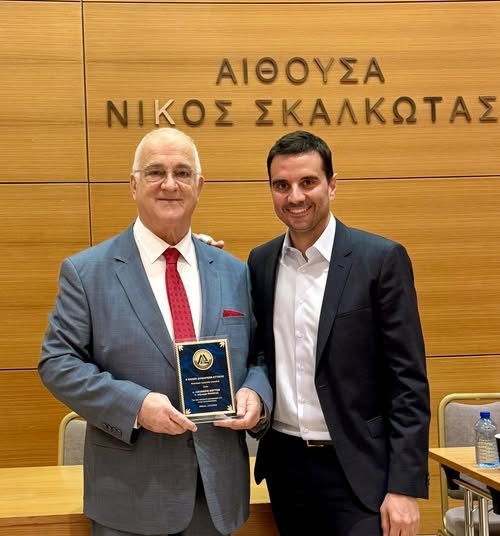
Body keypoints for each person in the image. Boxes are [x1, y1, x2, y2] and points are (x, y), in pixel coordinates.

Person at [39, 127, 272, 536]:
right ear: (133, 185)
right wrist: (136, 406)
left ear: (199, 186)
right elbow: (57, 363)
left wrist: (256, 393)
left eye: (182, 173)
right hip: (130, 498)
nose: (169, 184)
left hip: (217, 498)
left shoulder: (234, 271)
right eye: (155, 172)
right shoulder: (87, 273)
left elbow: (259, 355)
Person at [248, 130, 430, 536]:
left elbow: (408, 382)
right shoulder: (260, 263)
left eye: (308, 182)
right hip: (286, 470)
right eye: (282, 185)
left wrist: (403, 487)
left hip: (360, 471)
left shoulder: (380, 260)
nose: (295, 196)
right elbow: (257, 353)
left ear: (332, 185)